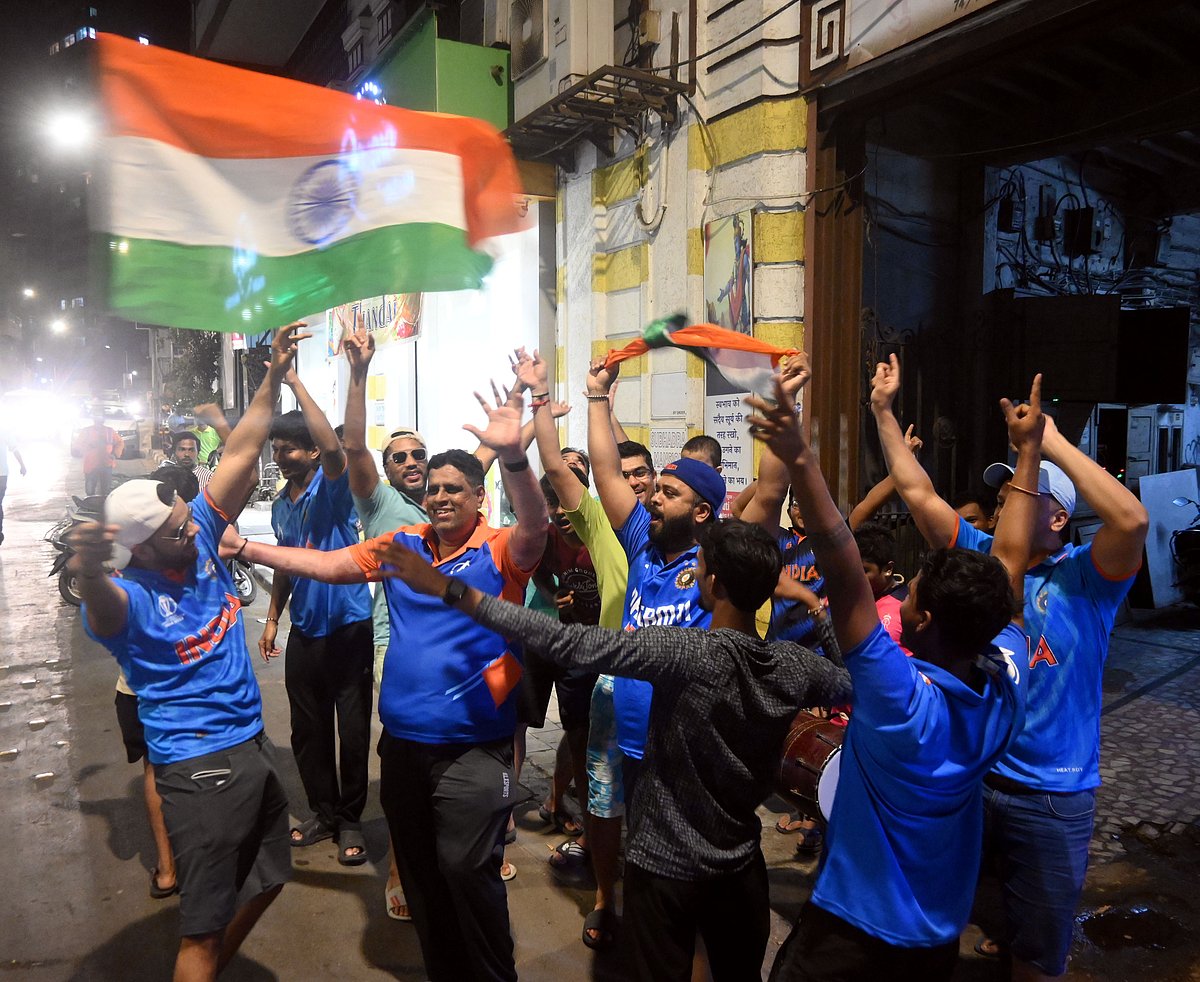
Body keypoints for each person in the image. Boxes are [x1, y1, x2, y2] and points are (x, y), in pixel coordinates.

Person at [375, 517, 853, 981]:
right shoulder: (793, 667)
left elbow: (563, 639)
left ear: (716, 584)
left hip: (662, 868)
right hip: (741, 867)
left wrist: (450, 590)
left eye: (701, 566)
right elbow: (852, 681)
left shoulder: (685, 653)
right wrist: (815, 608)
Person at [233, 392, 547, 982]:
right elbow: (328, 565)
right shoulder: (402, 545)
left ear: (480, 498)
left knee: (467, 870)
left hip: (474, 751)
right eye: (433, 488)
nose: (441, 496)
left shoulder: (501, 549)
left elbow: (536, 524)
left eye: (456, 488)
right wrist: (245, 547)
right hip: (402, 748)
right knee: (424, 878)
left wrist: (514, 459)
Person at [750, 366, 1043, 981]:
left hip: (849, 930)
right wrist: (1029, 452)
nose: (902, 599)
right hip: (936, 935)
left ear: (925, 620)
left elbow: (841, 559)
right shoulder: (1005, 687)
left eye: (911, 597)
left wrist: (799, 457)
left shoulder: (898, 700)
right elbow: (1009, 565)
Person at [868, 354, 1148, 981]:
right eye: (1001, 497)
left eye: (1022, 496)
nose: (1003, 506)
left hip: (1053, 795)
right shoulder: (982, 561)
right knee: (950, 922)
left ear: (1057, 515)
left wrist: (1049, 442)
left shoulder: (1089, 576)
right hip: (975, 778)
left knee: (1038, 954)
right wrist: (883, 413)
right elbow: (917, 493)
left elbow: (1131, 519)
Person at [68, 322, 305, 982]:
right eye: (177, 526)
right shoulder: (130, 598)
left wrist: (272, 374)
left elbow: (243, 459)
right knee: (200, 932)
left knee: (267, 878)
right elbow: (103, 607)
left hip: (250, 742)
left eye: (186, 515)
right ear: (141, 548)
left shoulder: (192, 529)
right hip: (198, 763)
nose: (193, 524)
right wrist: (91, 571)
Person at [515, 347, 627, 947]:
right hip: (610, 683)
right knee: (602, 789)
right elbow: (558, 469)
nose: (643, 493)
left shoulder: (693, 561)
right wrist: (556, 398)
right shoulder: (609, 534)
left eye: (654, 485)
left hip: (669, 693)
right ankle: (608, 896)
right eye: (633, 486)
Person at [586, 356, 724, 813]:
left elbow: (769, 495)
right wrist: (597, 396)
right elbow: (606, 472)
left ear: (701, 512)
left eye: (669, 494)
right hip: (630, 731)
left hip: (685, 737)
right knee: (638, 835)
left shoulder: (715, 559)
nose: (654, 499)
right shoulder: (642, 540)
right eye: (657, 489)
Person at [262, 371, 374, 866]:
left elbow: (336, 449)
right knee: (307, 732)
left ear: (309, 453)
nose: (279, 455)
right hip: (305, 631)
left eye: (289, 447)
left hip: (348, 628)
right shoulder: (280, 507)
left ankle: (351, 817)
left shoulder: (331, 494)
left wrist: (292, 381)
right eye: (276, 447)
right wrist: (272, 618)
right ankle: (323, 812)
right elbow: (285, 564)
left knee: (351, 731)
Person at [341, 324, 430, 920]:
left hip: (447, 644)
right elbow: (353, 450)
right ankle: (399, 866)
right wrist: (358, 372)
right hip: (391, 643)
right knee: (405, 755)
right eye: (398, 457)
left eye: (417, 454)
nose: (410, 462)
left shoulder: (446, 499)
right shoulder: (378, 503)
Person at [74, 412, 124, 497]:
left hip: (106, 464)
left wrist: (115, 454)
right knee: (90, 491)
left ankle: (103, 505)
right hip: (91, 465)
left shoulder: (109, 431)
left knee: (106, 490)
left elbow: (120, 442)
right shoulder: (86, 431)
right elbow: (78, 444)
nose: (98, 422)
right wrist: (88, 447)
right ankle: (90, 504)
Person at [0, 423, 26, 546]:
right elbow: (14, 449)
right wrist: (22, 465)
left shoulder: (4, 431)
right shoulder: (4, 431)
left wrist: (22, 465)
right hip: (2, 475)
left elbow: (15, 449)